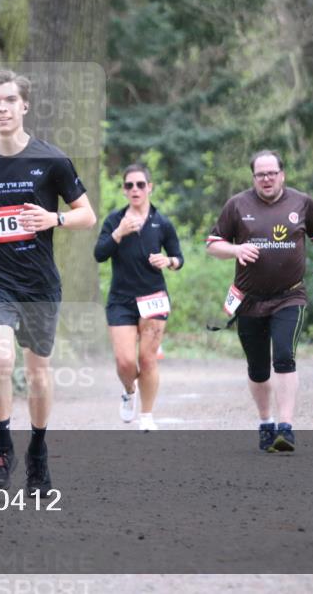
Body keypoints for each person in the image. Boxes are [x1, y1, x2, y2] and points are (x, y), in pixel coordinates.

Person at [0, 70, 96, 495]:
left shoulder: (51, 160)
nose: (2, 109)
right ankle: (1, 446)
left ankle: (38, 451)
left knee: (37, 373)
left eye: (10, 101)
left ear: (24, 106)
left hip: (39, 282)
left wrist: (55, 218)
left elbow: (87, 214)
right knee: (1, 357)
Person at [205, 150, 313, 453]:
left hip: (290, 295)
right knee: (258, 368)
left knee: (285, 356)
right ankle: (266, 422)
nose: (266, 179)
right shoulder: (237, 205)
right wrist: (236, 251)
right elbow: (213, 245)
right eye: (260, 174)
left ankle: (285, 429)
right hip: (248, 300)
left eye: (271, 173)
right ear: (253, 178)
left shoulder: (302, 203)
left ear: (282, 175)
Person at [94, 164, 183, 432]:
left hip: (153, 298)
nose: (135, 189)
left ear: (149, 187)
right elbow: (99, 254)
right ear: (124, 190)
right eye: (130, 185)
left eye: (140, 184)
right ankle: (129, 390)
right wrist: (119, 233)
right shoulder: (114, 220)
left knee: (148, 359)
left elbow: (179, 258)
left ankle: (146, 415)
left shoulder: (162, 222)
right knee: (125, 362)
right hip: (121, 299)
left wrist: (167, 260)